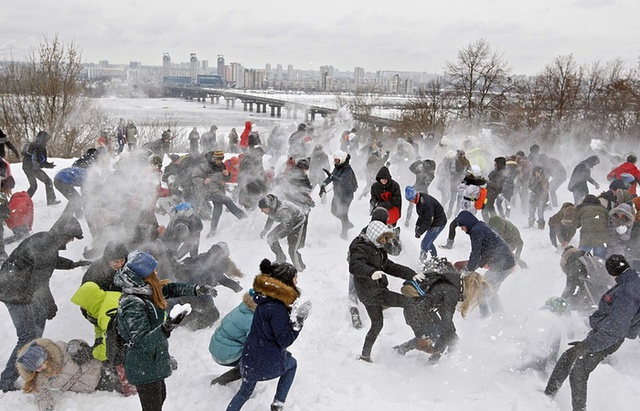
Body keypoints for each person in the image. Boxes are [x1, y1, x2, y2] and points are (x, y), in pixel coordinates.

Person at [115, 250, 217, 411]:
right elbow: (141, 342)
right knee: (153, 407)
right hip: (143, 365)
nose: (156, 272)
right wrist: (167, 326)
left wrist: (196, 289)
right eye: (153, 270)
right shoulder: (133, 303)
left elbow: (169, 289)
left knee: (160, 398)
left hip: (153, 361)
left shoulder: (144, 289)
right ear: (144, 275)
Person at [0, 215, 90, 392]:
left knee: (36, 327)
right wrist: (50, 304)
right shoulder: (46, 246)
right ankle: (6, 380)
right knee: (26, 336)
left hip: (16, 288)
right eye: (71, 237)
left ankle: (34, 361)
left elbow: (47, 262)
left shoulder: (45, 240)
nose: (71, 241)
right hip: (14, 293)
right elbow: (39, 283)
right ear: (64, 234)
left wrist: (73, 264)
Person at [545, 254, 640, 411]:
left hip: (609, 337)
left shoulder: (626, 291)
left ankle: (576, 408)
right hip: (606, 333)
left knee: (578, 371)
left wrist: (588, 345)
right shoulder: (631, 282)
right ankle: (548, 396)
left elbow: (617, 326)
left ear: (611, 272)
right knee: (569, 357)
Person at [226, 259, 311, 411]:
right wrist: (298, 323)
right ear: (287, 281)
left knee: (244, 392)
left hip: (249, 358)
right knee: (292, 365)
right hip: (265, 361)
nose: (297, 280)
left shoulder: (265, 300)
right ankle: (278, 403)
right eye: (295, 277)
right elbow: (284, 340)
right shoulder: (277, 308)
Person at [348, 220, 424, 362]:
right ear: (374, 235)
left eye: (386, 238)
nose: (384, 241)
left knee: (377, 324)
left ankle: (365, 355)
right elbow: (355, 266)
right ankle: (421, 336)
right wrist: (371, 272)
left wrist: (411, 274)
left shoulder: (377, 248)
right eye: (382, 238)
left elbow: (389, 266)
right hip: (372, 293)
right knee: (408, 302)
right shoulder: (359, 247)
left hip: (371, 293)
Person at [394, 257, 489, 362]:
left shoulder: (452, 282)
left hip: (418, 309)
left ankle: (400, 350)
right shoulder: (452, 291)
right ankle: (433, 363)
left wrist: (452, 334)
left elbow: (444, 313)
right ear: (471, 287)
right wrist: (453, 338)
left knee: (442, 334)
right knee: (446, 334)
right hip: (417, 312)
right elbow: (446, 319)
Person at [16, 338, 113, 410]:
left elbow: (83, 348)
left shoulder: (60, 349)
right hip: (93, 387)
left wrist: (77, 345)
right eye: (38, 368)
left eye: (43, 363)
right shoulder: (37, 378)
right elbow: (42, 394)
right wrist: (46, 407)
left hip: (101, 371)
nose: (43, 368)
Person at [456, 210, 516, 317]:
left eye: (462, 226)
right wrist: (473, 266)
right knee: (486, 288)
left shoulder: (476, 231)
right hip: (503, 262)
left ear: (467, 223)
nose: (462, 229)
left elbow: (476, 252)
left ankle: (491, 316)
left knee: (485, 289)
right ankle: (493, 315)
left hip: (502, 265)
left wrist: (469, 269)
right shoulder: (481, 226)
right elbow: (485, 251)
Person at [209, 291, 257, 386]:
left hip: (217, 348)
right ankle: (222, 381)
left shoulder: (244, 307)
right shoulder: (251, 319)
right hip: (226, 355)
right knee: (254, 361)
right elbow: (253, 345)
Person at [258, 194, 307, 272]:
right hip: (287, 222)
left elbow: (288, 229)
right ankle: (281, 258)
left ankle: (300, 269)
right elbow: (271, 217)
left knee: (292, 250)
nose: (262, 211)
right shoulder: (272, 207)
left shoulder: (283, 210)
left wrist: (276, 237)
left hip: (297, 223)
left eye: (263, 209)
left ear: (268, 206)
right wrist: (265, 230)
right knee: (270, 237)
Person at [319, 150, 359, 239]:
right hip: (338, 193)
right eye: (335, 160)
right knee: (334, 211)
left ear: (341, 159)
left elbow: (343, 181)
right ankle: (347, 223)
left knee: (343, 213)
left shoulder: (347, 169)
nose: (335, 161)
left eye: (337, 160)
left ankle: (344, 233)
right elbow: (331, 177)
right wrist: (324, 184)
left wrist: (333, 177)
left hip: (346, 195)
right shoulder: (337, 167)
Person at [405, 186, 447, 262]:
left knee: (424, 243)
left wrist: (420, 231)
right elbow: (422, 215)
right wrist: (417, 226)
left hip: (438, 223)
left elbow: (428, 220)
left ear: (414, 197)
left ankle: (422, 261)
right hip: (432, 221)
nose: (410, 202)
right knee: (428, 241)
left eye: (411, 200)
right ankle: (435, 258)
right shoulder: (419, 200)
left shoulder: (425, 202)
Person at [22, 131, 60, 206]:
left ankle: (23, 202)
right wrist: (49, 165)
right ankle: (51, 200)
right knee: (48, 181)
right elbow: (42, 160)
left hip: (26, 168)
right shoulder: (40, 146)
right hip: (34, 169)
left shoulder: (30, 145)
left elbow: (25, 154)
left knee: (33, 186)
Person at [573, 194, 609, 258]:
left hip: (587, 237)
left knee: (581, 257)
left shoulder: (581, 209)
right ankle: (599, 266)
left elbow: (576, 224)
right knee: (600, 259)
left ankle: (582, 266)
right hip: (601, 237)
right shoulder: (603, 209)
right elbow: (607, 222)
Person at [528, 165, 550, 229]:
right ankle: (530, 224)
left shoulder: (544, 180)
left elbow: (545, 189)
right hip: (534, 197)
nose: (537, 173)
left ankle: (541, 225)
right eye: (535, 172)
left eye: (538, 172)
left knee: (540, 212)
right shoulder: (532, 179)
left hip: (541, 198)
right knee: (531, 211)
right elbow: (529, 187)